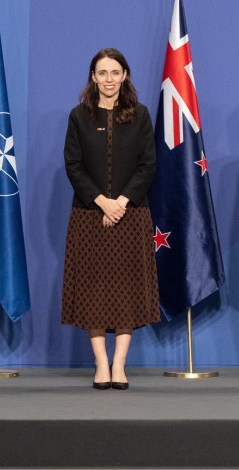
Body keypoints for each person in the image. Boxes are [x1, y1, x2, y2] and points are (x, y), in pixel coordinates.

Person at [61, 48, 159, 391]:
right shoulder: (79, 116)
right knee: (94, 292)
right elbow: (73, 165)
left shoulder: (141, 115)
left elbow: (148, 164)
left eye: (115, 72)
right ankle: (101, 364)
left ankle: (120, 364)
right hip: (89, 216)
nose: (108, 79)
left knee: (126, 291)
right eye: (102, 73)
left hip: (131, 215)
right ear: (93, 77)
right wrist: (102, 202)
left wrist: (121, 202)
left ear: (125, 76)